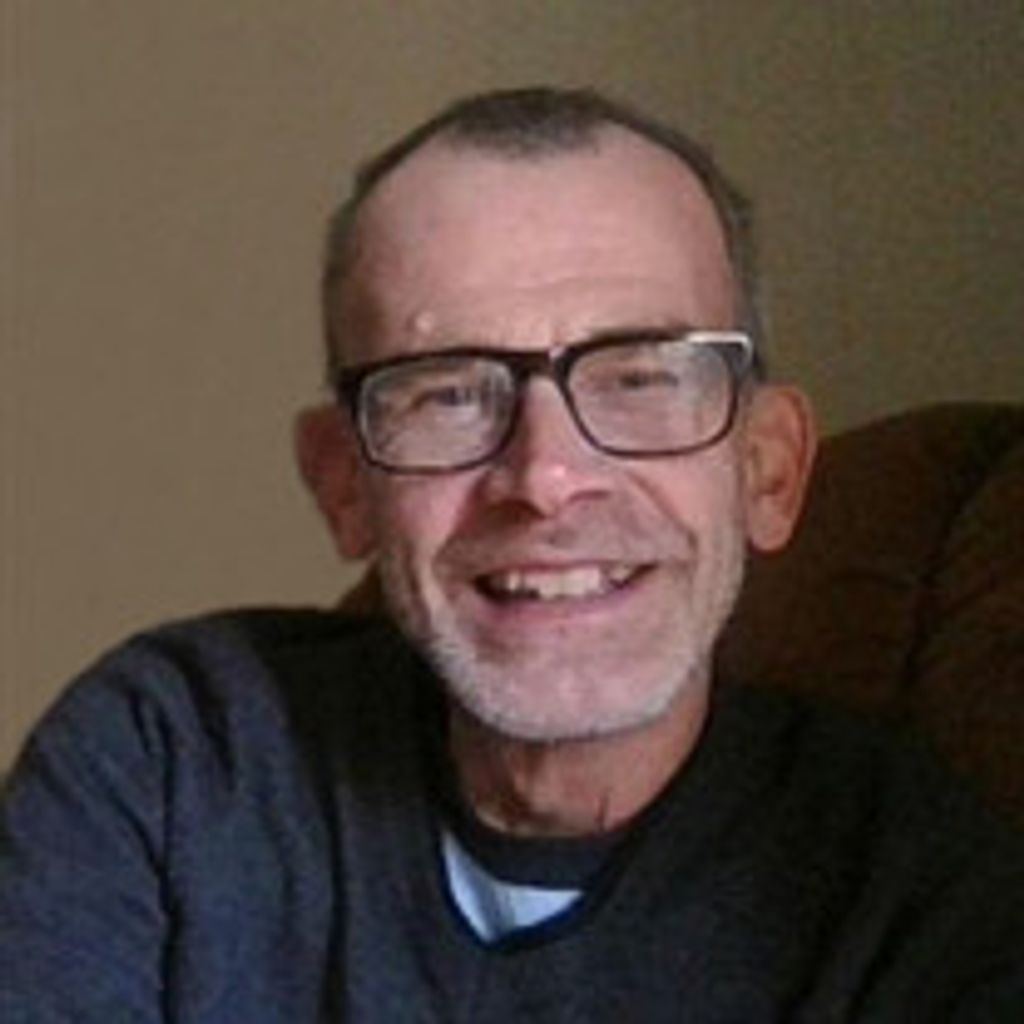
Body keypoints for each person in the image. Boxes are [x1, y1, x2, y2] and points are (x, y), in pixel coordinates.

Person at [2, 87, 1022, 1022]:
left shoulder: (921, 897)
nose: (546, 475)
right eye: (448, 392)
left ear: (768, 470)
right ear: (343, 484)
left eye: (640, 378)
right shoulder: (170, 764)